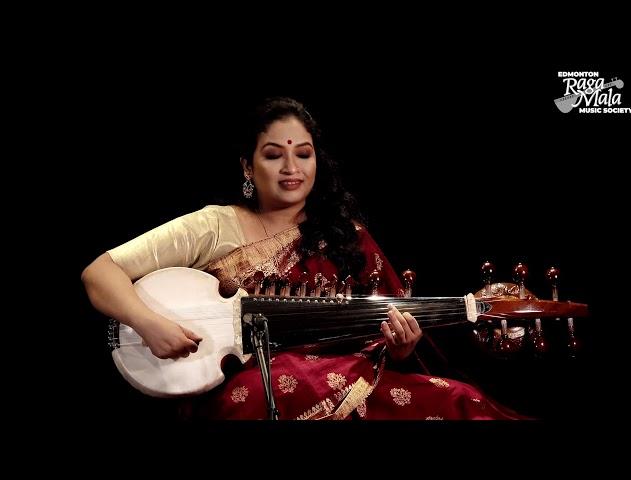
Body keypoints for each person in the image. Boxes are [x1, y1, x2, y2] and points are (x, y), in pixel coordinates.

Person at [81, 96, 522, 420]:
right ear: (248, 168)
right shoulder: (215, 226)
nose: (291, 167)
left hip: (354, 378)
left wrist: (400, 347)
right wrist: (149, 323)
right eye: (274, 155)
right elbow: (100, 272)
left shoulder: (346, 237)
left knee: (459, 400)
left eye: (303, 154)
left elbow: (379, 333)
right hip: (246, 386)